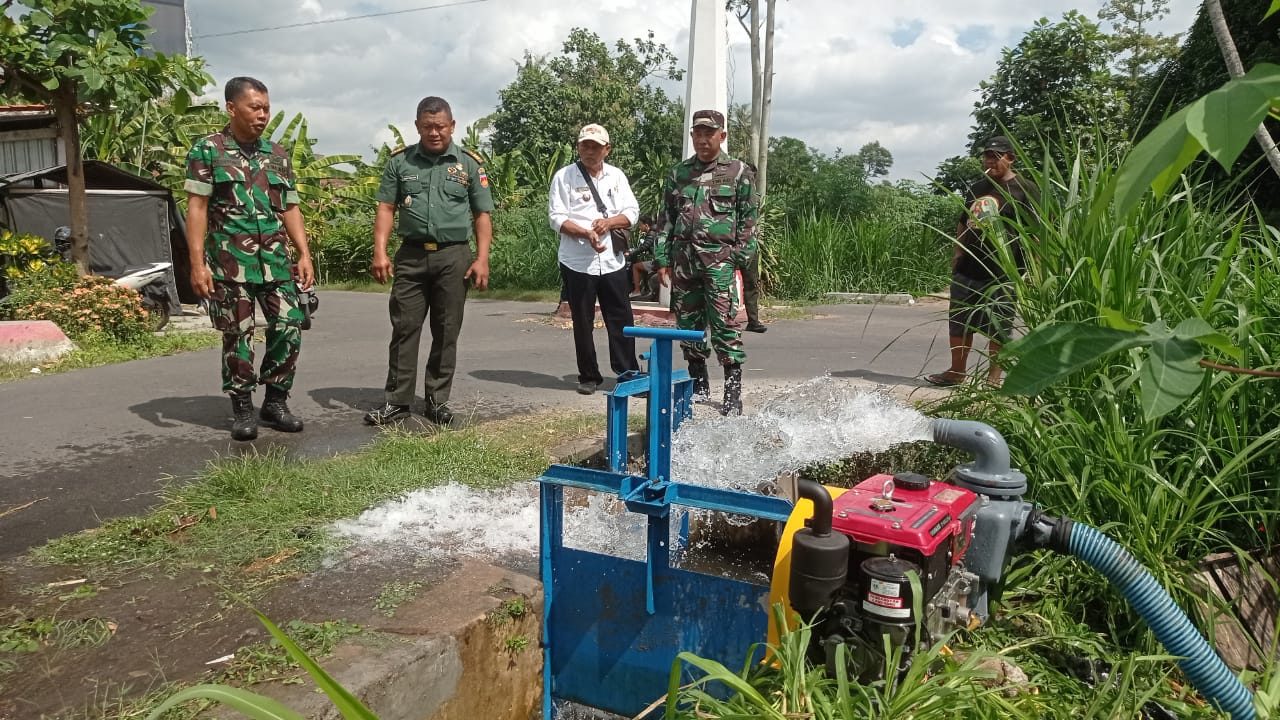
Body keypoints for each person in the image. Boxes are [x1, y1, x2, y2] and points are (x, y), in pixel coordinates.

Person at [184, 76, 314, 442]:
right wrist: (197, 264)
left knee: (289, 326)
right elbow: (197, 208)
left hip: (276, 261)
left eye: (266, 108)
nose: (262, 115)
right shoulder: (207, 151)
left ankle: (275, 401)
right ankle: (242, 405)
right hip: (229, 263)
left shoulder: (277, 154)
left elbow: (290, 206)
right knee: (238, 335)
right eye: (254, 108)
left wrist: (303, 253)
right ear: (231, 108)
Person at [363, 96, 495, 425]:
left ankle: (436, 400)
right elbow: (386, 208)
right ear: (418, 126)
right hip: (410, 255)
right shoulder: (401, 162)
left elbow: (482, 214)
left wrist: (482, 258)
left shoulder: (469, 164)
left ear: (452, 126)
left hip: (454, 256)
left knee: (446, 330)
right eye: (427, 126)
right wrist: (379, 251)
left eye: (440, 126)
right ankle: (397, 400)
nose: (434, 132)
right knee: (404, 328)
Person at [654, 109, 758, 416]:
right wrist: (662, 258)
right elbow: (666, 220)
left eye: (709, 133)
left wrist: (737, 257)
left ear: (722, 136)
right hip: (684, 265)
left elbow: (749, 221)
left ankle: (732, 393)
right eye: (697, 133)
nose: (702, 139)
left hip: (720, 264)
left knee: (725, 327)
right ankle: (699, 386)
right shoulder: (678, 174)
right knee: (688, 327)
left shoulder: (738, 172)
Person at [925, 135, 1039, 388]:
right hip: (968, 267)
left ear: (1011, 158)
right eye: (987, 156)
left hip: (1004, 271)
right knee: (959, 322)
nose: (990, 161)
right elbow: (963, 221)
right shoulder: (977, 188)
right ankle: (956, 372)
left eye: (996, 157)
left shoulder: (1025, 189)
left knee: (999, 325)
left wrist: (1035, 268)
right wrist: (958, 252)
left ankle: (993, 380)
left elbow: (1036, 231)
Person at [548, 123, 641, 395]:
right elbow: (556, 218)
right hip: (577, 261)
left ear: (607, 149)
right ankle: (588, 375)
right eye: (585, 145)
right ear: (578, 147)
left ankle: (627, 372)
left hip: (612, 260)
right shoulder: (564, 177)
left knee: (621, 318)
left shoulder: (617, 176)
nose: (589, 151)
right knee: (582, 320)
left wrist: (609, 223)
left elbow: (632, 212)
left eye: (596, 146)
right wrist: (584, 232)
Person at [740, 245, 767, 333]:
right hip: (727, 246)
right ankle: (723, 322)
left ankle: (753, 321)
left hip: (748, 247)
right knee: (722, 286)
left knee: (751, 284)